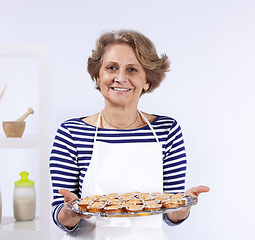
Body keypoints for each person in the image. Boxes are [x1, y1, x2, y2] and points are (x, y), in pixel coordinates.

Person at [49, 29, 210, 240]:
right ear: (98, 76)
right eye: (111, 68)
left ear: (147, 81)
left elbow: (170, 213)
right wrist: (70, 212)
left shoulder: (167, 130)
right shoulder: (71, 132)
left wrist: (182, 207)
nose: (120, 78)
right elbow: (60, 216)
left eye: (132, 70)